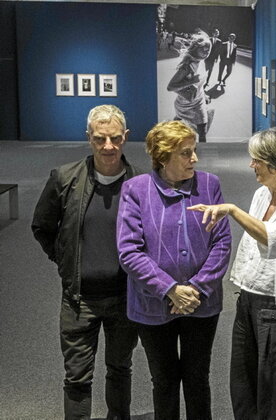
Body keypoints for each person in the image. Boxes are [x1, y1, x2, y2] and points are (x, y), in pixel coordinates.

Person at [188, 127, 276, 419]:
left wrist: (234, 211)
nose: (252, 165)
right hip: (249, 300)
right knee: (244, 383)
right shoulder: (263, 193)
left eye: (257, 160)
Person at [116, 120, 232, 420]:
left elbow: (221, 243)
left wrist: (194, 289)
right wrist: (170, 289)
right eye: (185, 153)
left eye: (194, 151)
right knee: (164, 380)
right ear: (163, 157)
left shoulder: (210, 185)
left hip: (201, 303)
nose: (194, 159)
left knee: (197, 378)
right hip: (152, 303)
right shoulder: (136, 189)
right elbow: (128, 250)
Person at [31, 105, 140, 420]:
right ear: (89, 138)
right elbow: (42, 227)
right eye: (100, 139)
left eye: (116, 138)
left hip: (124, 298)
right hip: (79, 300)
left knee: (120, 368)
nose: (108, 146)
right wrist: (66, 262)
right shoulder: (64, 179)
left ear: (126, 137)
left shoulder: (140, 184)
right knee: (77, 377)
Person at [167, 30, 214, 142]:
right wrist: (191, 81)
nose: (206, 53)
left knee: (202, 130)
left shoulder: (201, 62)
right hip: (186, 104)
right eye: (204, 50)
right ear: (196, 49)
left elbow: (200, 84)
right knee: (199, 129)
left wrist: (204, 95)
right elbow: (170, 87)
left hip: (199, 101)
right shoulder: (187, 67)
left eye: (208, 50)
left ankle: (168, 132)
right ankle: (167, 138)